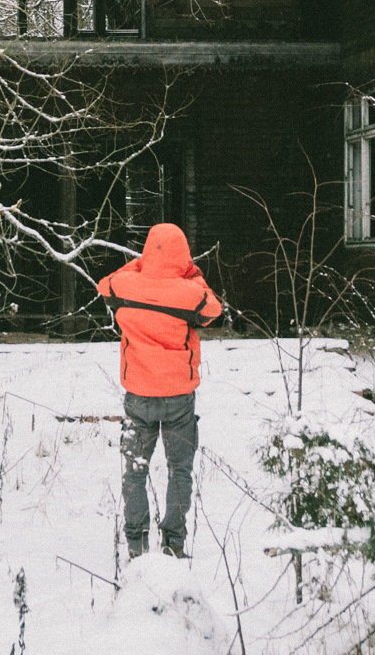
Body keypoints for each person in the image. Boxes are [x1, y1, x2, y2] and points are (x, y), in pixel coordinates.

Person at [96, 221, 223, 559]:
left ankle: (136, 544)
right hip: (179, 397)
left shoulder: (124, 286)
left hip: (138, 396)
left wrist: (140, 266)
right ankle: (174, 543)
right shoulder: (191, 292)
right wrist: (191, 274)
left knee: (135, 471)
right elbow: (213, 309)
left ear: (147, 252)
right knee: (178, 469)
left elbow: (104, 284)